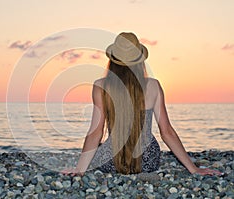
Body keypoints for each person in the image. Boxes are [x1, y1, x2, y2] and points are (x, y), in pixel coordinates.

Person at [62, 32, 221, 176]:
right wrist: (194, 169)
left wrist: (80, 170)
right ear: (140, 61)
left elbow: (96, 132)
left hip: (112, 161)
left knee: (103, 147)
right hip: (147, 160)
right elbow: (166, 132)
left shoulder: (101, 86)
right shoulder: (153, 86)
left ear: (113, 61)